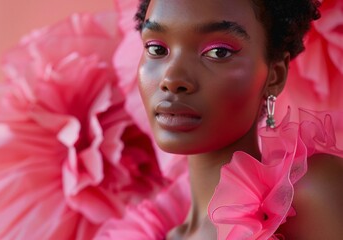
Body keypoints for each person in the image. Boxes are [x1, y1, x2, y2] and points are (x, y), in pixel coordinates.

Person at [95, 0, 343, 239]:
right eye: (157, 49)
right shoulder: (139, 232)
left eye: (218, 52)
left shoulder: (310, 194)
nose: (172, 78)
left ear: (274, 76)